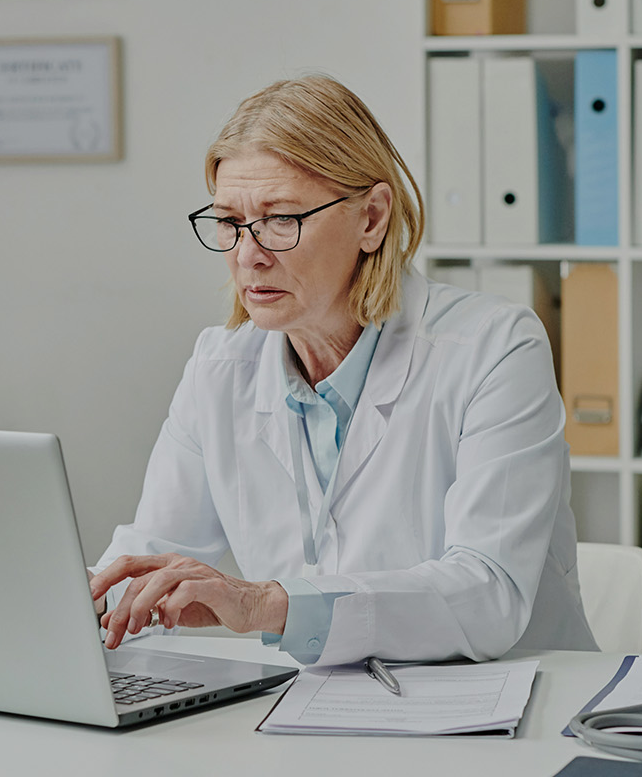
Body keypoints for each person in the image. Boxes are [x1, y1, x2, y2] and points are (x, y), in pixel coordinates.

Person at [90, 75, 596, 668]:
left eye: (281, 219)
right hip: (318, 715)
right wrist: (81, 601)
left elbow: (488, 593)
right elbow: (152, 556)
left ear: (372, 218)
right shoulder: (219, 366)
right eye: (229, 221)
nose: (248, 254)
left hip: (505, 716)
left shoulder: (493, 349)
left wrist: (268, 606)